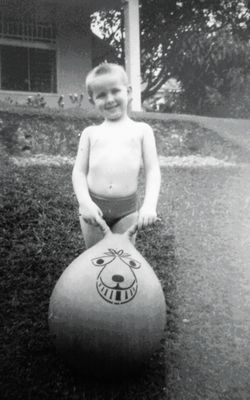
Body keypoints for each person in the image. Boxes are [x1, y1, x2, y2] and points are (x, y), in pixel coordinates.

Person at [72, 62, 161, 249]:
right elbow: (79, 172)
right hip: (94, 207)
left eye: (115, 91)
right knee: (96, 258)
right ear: (92, 100)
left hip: (127, 210)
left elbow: (152, 171)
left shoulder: (142, 131)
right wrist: (85, 202)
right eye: (101, 95)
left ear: (128, 92)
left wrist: (149, 205)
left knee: (122, 258)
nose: (109, 99)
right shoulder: (90, 133)